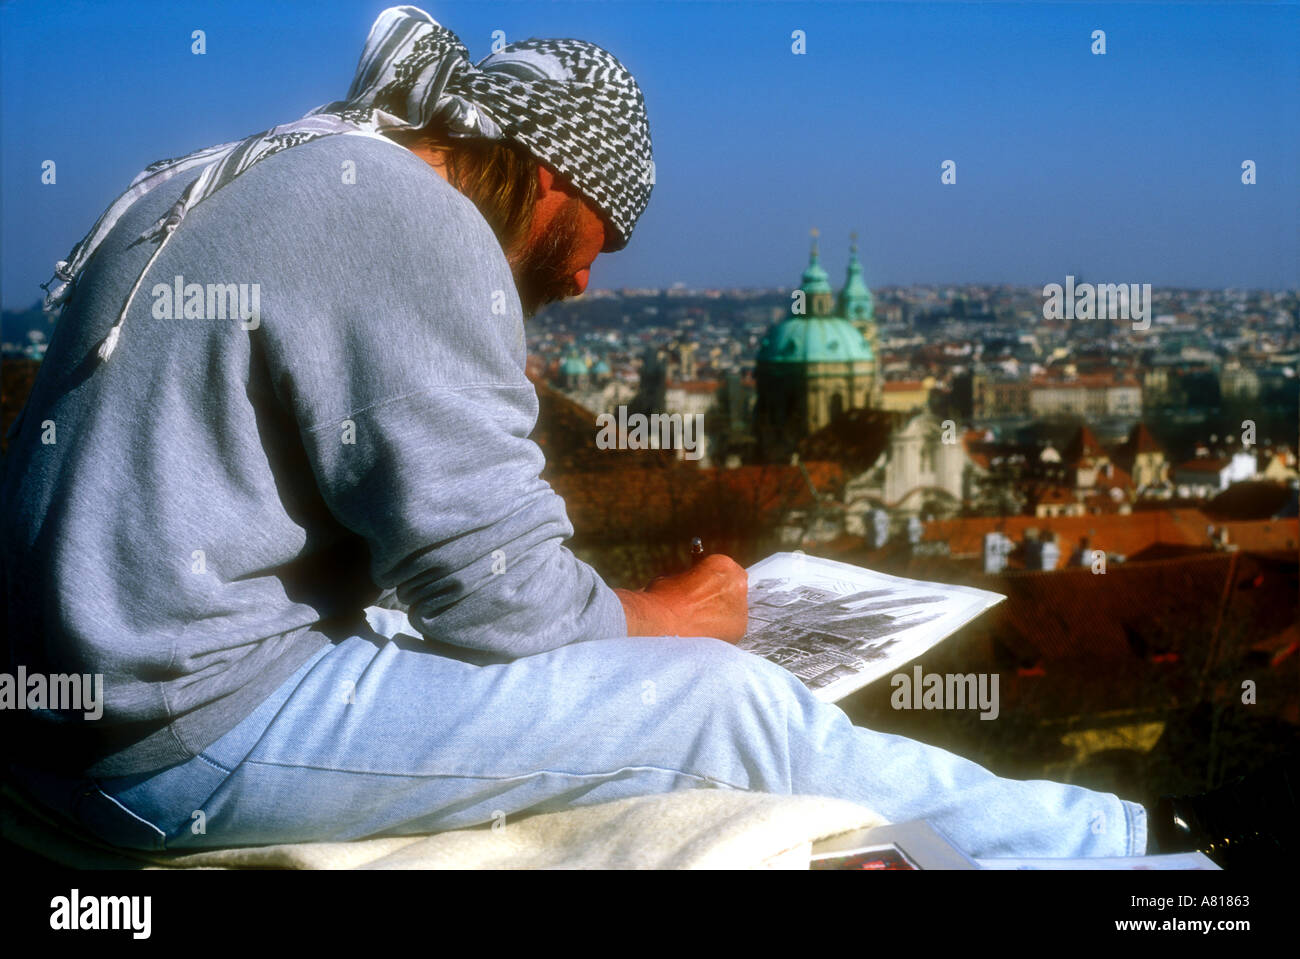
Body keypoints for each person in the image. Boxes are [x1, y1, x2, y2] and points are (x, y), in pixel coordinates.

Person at [2, 6, 1148, 859]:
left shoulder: (235, 173)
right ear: (551, 177)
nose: (594, 279)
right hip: (170, 745)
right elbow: (493, 593)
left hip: (60, 724)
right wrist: (664, 620)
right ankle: (1135, 858)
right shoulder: (411, 217)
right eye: (606, 234)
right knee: (722, 703)